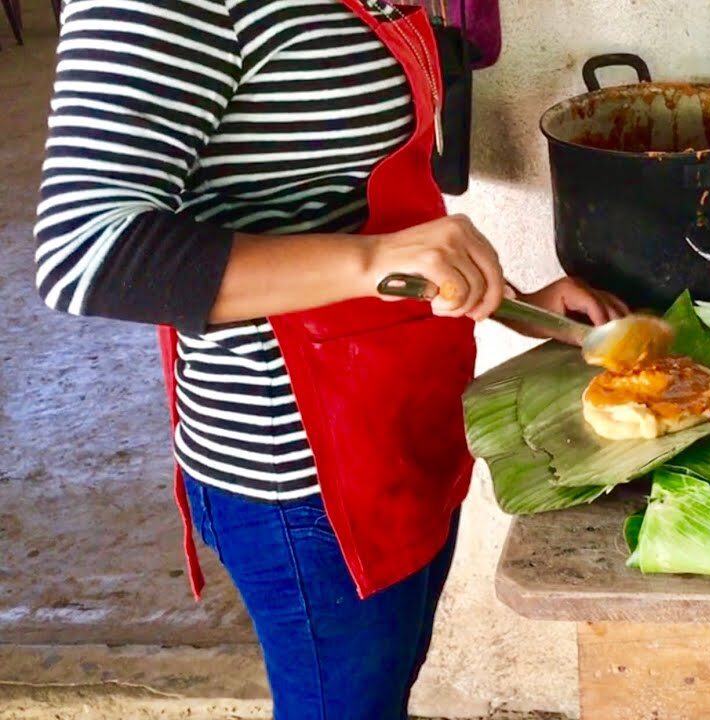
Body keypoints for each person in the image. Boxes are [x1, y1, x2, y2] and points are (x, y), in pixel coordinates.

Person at [33, 0, 625, 717]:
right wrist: (373, 259)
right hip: (305, 477)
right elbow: (85, 253)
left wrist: (518, 302)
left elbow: (343, 211)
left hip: (404, 422)